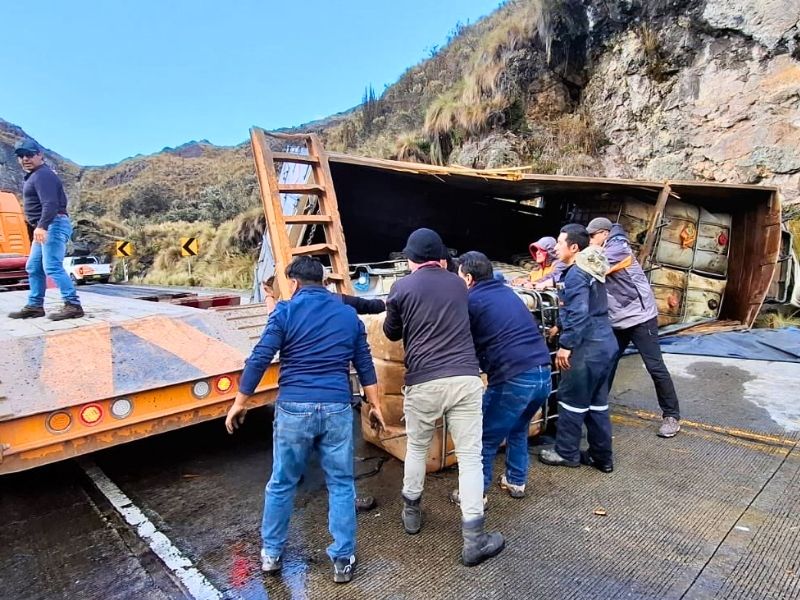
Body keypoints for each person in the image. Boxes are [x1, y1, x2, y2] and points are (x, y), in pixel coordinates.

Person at [225, 256, 385, 584]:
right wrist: (376, 405)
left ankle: (271, 555)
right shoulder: (347, 315)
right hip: (337, 408)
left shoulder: (284, 311)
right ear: (324, 282)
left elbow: (260, 358)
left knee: (282, 482)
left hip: (294, 409)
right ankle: (343, 558)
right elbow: (365, 364)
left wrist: (240, 402)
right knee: (341, 483)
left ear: (294, 283)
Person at [383, 228, 504, 567]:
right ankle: (474, 540)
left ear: (410, 260)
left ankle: (411, 510)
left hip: (423, 382)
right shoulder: (457, 282)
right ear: (441, 258)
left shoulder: (401, 287)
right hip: (465, 377)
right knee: (469, 457)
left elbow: (391, 331)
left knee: (418, 448)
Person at [455, 251, 552, 502]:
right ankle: (516, 481)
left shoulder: (472, 301)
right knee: (518, 427)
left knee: (484, 438)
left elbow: (464, 341)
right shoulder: (508, 293)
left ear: (467, 278)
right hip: (543, 373)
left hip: (515, 378)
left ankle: (476, 495)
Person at [587, 217, 681, 438]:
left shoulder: (618, 248)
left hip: (640, 318)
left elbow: (594, 266)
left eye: (592, 236)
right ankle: (597, 409)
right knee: (607, 364)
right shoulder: (599, 248)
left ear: (603, 234)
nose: (589, 241)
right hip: (617, 319)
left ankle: (671, 416)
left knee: (654, 366)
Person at [539, 224, 617, 472]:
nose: (556, 248)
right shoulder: (592, 268)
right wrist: (560, 326)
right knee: (597, 403)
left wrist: (565, 345)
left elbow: (580, 312)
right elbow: (583, 307)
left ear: (574, 247)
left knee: (571, 400)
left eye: (560, 243)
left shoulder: (576, 274)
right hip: (606, 342)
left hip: (587, 346)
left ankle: (566, 453)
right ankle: (601, 457)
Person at [7, 139, 83, 321]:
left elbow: (50, 204)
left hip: (52, 224)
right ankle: (35, 306)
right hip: (45, 225)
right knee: (33, 267)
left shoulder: (43, 175)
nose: (25, 159)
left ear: (40, 155)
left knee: (52, 266)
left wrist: (42, 226)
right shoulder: (35, 175)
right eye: (21, 156)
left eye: (29, 154)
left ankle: (73, 305)